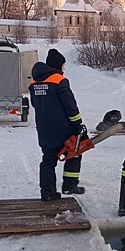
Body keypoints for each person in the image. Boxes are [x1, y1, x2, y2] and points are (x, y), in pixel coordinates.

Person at [29, 49, 86, 201]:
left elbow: (35, 104)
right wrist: (78, 125)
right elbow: (70, 106)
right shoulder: (60, 81)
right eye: (63, 65)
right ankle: (69, 185)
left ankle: (47, 192)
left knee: (48, 160)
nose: (64, 68)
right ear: (58, 65)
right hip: (63, 129)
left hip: (44, 129)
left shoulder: (35, 82)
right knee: (75, 152)